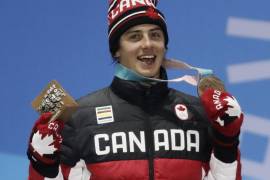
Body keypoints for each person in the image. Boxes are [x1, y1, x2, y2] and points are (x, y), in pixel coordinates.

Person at [27, 0, 243, 179]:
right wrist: (43, 165)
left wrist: (227, 140)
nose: (147, 44)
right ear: (116, 51)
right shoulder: (79, 118)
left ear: (165, 47)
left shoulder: (199, 112)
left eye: (155, 35)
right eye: (135, 36)